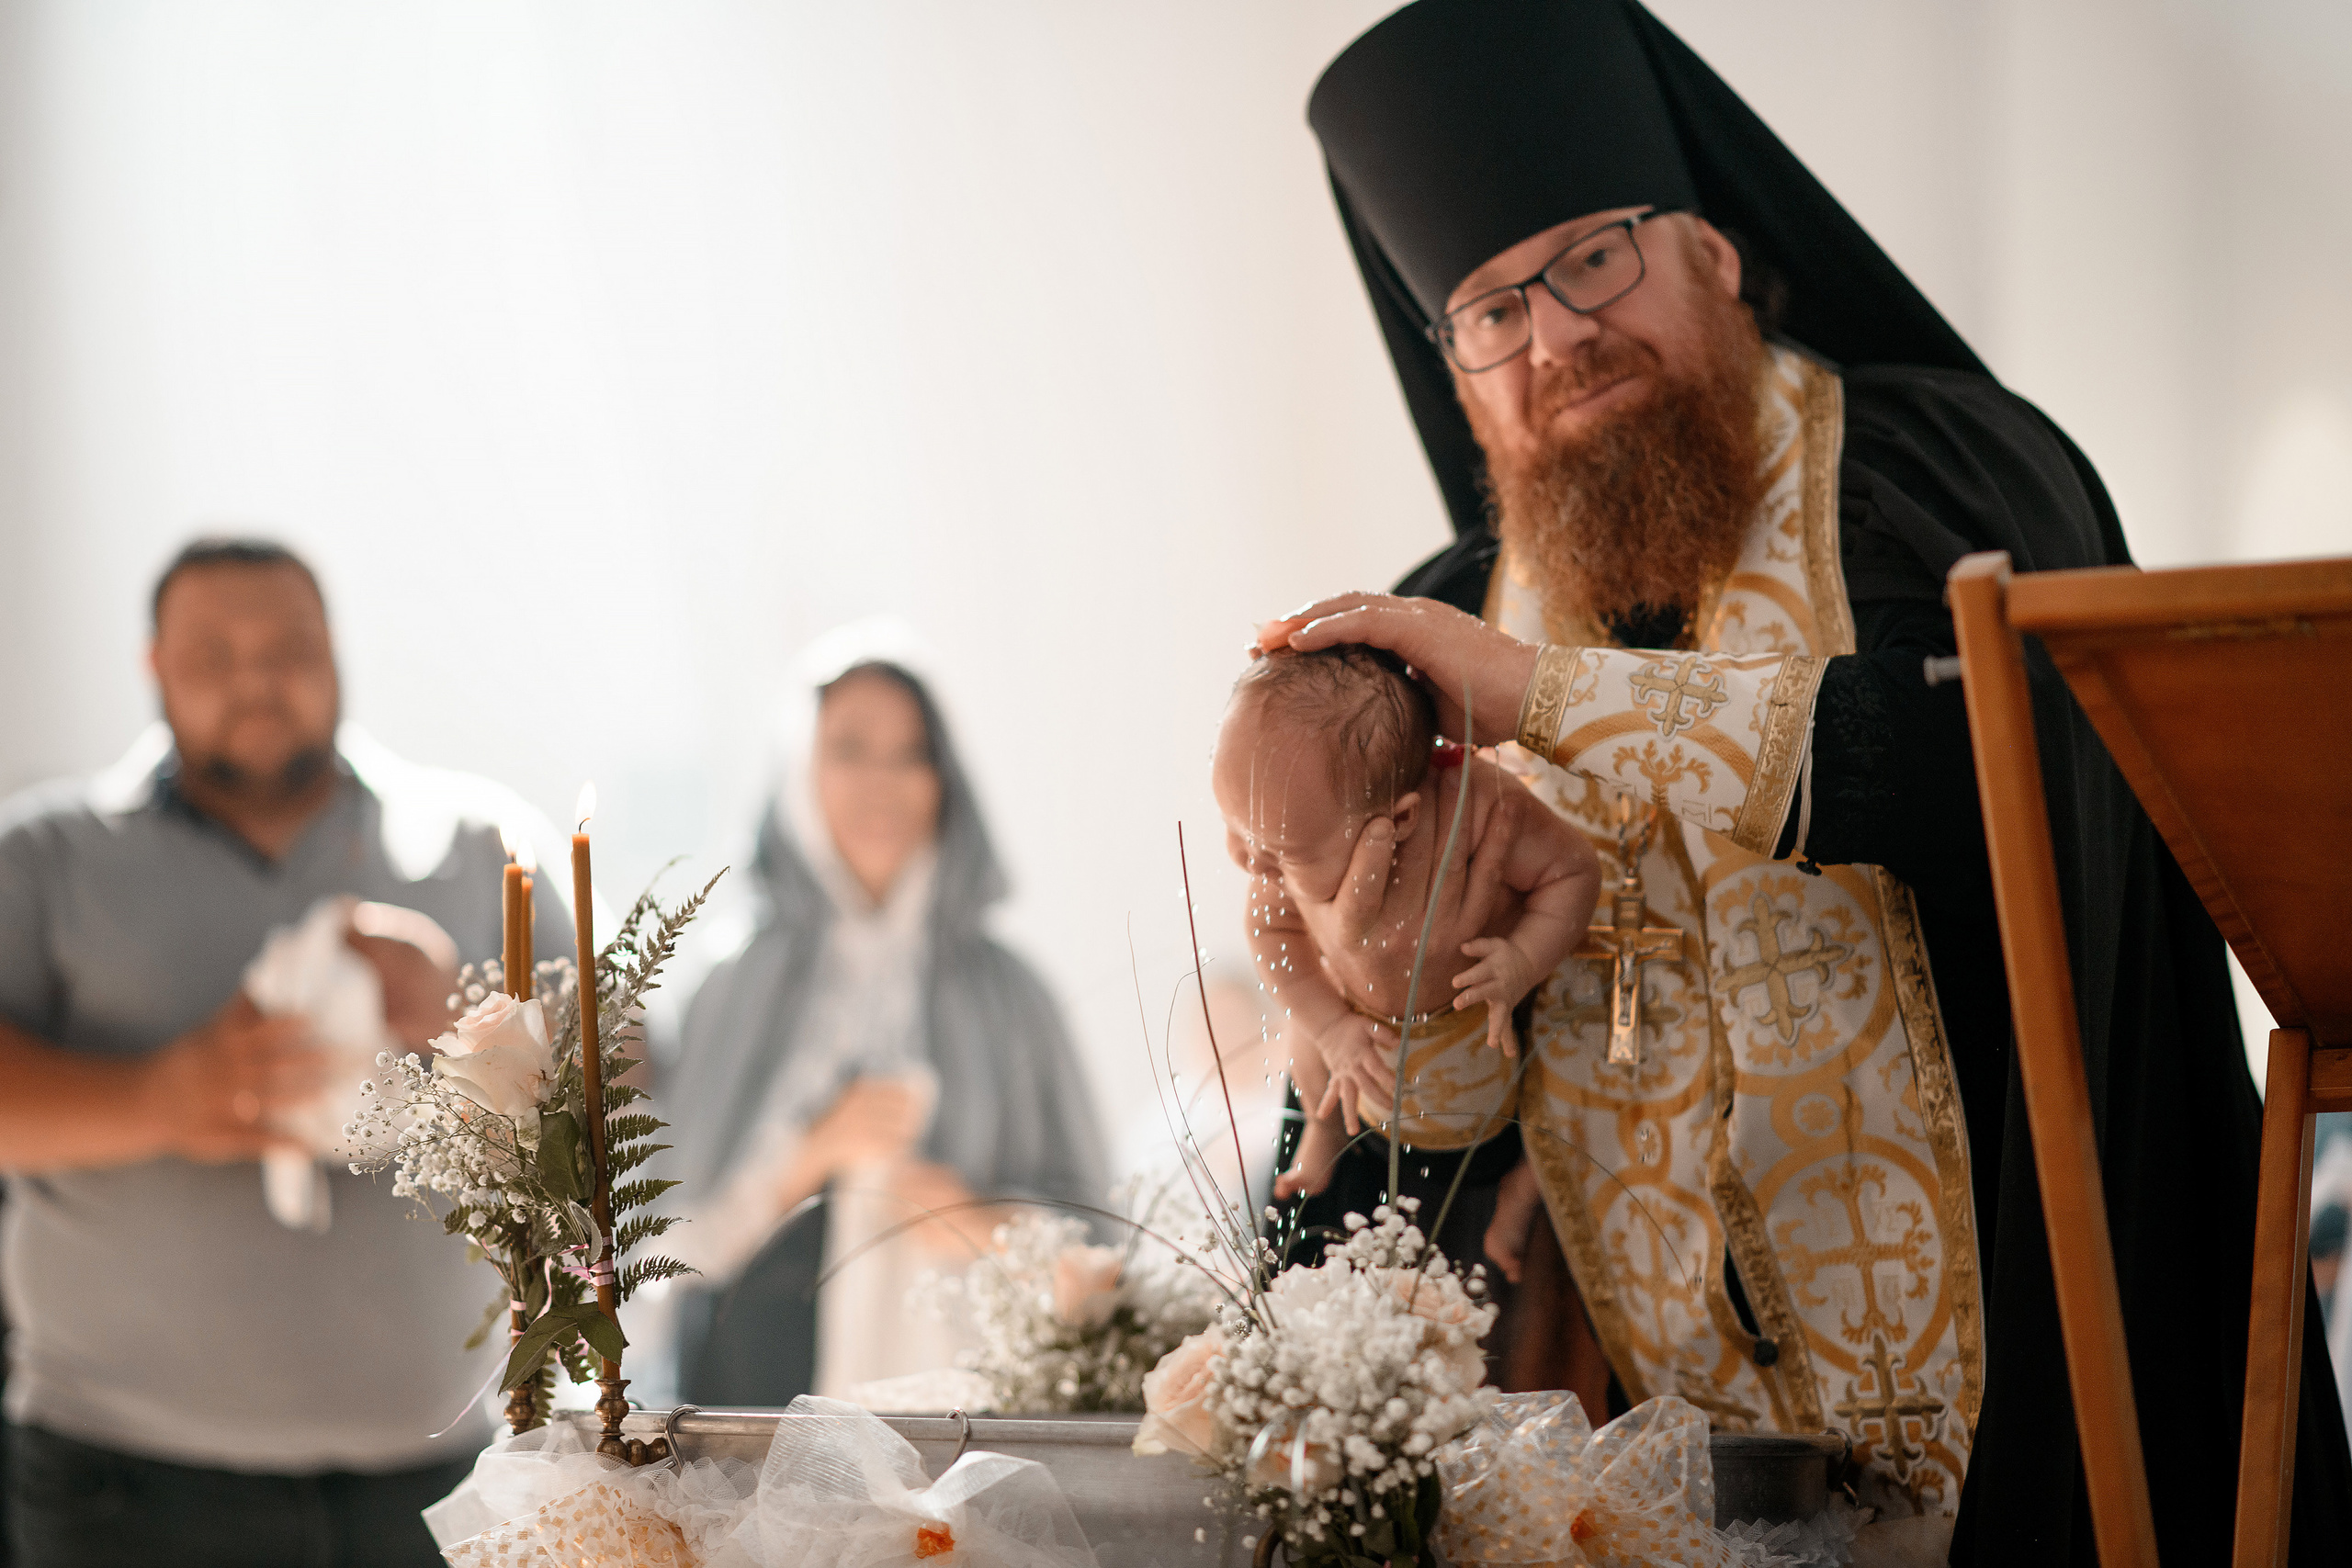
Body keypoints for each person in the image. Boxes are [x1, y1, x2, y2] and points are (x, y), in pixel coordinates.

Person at [1260, 2, 2352, 1561]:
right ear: (1458, 375)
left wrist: (1555, 697)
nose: (1559, 335)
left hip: (2026, 1414)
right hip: (1664, 1489)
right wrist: (1395, 1002)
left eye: (1596, 256)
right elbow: (1421, 1159)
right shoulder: (1443, 626)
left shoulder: (1943, 481)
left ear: (1718, 250)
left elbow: (2009, 785)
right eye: (1492, 309)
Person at [0, 537, 573, 1568]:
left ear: (338, 652)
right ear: (154, 669)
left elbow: (612, 1119)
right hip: (120, 1486)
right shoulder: (44, 856)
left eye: (289, 647)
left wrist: (459, 1013)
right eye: (212, 654)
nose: (256, 680)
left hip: (449, 1474)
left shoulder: (485, 845)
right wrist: (157, 1100)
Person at [662, 624, 1107, 1408]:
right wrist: (814, 1153)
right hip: (751, 1382)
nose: (883, 783)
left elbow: (1100, 1240)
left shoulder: (1011, 992)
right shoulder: (730, 980)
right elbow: (669, 1237)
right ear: (799, 771)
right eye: (850, 750)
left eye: (912, 754)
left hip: (954, 1394)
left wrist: (973, 1216)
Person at [1211, 646, 1598, 1202]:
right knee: (1308, 1050)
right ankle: (1322, 1137)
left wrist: (1525, 958)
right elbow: (1270, 939)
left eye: (1281, 852)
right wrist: (1330, 1026)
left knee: (1563, 1074)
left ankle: (1526, 1191)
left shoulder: (1482, 807)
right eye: (1234, 827)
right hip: (1361, 1032)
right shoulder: (1280, 842)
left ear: (1399, 819)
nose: (1246, 860)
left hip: (1491, 1028)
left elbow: (1573, 871)